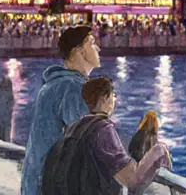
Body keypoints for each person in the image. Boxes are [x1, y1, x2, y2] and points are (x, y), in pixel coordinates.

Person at [41, 77, 169, 195]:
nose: (115, 100)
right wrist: (158, 151)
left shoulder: (75, 127)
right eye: (113, 96)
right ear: (104, 98)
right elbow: (132, 180)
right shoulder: (103, 129)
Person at [22, 25, 101, 195]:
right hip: (53, 185)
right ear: (79, 51)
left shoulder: (54, 84)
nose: (98, 48)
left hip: (36, 182)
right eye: (92, 43)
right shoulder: (73, 87)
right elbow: (88, 142)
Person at [128, 110, 166, 195]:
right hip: (146, 172)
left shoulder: (139, 133)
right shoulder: (153, 137)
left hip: (135, 168)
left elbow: (130, 149)